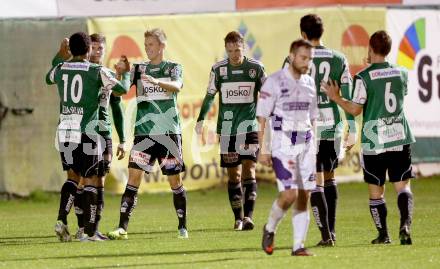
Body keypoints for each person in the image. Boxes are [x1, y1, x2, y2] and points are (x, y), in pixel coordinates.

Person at [321, 30, 415, 245]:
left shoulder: (363, 77)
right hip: (399, 136)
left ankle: (383, 235)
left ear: (370, 49)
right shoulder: (402, 72)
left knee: (376, 192)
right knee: (403, 188)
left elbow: (354, 110)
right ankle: (405, 225)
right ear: (388, 50)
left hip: (375, 140)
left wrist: (336, 97)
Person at [46, 32, 129, 241]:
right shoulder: (97, 71)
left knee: (73, 178)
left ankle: (61, 220)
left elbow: (48, 77)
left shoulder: (61, 68)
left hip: (65, 132)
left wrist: (60, 54)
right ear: (89, 49)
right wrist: (125, 73)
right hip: (87, 132)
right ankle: (91, 233)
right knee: (92, 180)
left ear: (70, 50)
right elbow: (122, 89)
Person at [107, 28, 188, 240]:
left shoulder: (173, 68)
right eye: (146, 45)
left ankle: (182, 227)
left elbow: (177, 87)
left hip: (168, 134)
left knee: (175, 182)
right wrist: (121, 73)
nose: (147, 49)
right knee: (133, 179)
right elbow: (121, 90)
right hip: (144, 135)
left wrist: (156, 82)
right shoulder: (139, 69)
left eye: (151, 45)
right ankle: (122, 228)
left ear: (162, 46)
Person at [282, 14, 356, 246]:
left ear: (303, 35)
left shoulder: (294, 59)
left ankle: (325, 235)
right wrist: (351, 128)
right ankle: (330, 231)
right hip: (332, 127)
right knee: (330, 177)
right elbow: (349, 96)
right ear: (321, 33)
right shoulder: (339, 58)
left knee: (315, 182)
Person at [195, 31, 266, 231]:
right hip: (226, 129)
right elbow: (209, 96)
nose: (234, 54)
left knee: (249, 169)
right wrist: (201, 118)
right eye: (230, 50)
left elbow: (268, 95)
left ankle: (249, 218)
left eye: (237, 50)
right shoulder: (218, 70)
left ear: (244, 48)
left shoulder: (256, 68)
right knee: (233, 175)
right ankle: (238, 218)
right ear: (226, 49)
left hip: (249, 127)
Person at [258, 39, 317, 256]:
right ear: (291, 56)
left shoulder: (310, 83)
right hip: (283, 146)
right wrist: (263, 149)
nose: (307, 62)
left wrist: (315, 147)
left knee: (304, 195)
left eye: (310, 58)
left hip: (306, 146)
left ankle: (298, 246)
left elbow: (313, 118)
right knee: (289, 195)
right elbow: (262, 118)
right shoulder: (273, 81)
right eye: (303, 57)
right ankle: (270, 227)